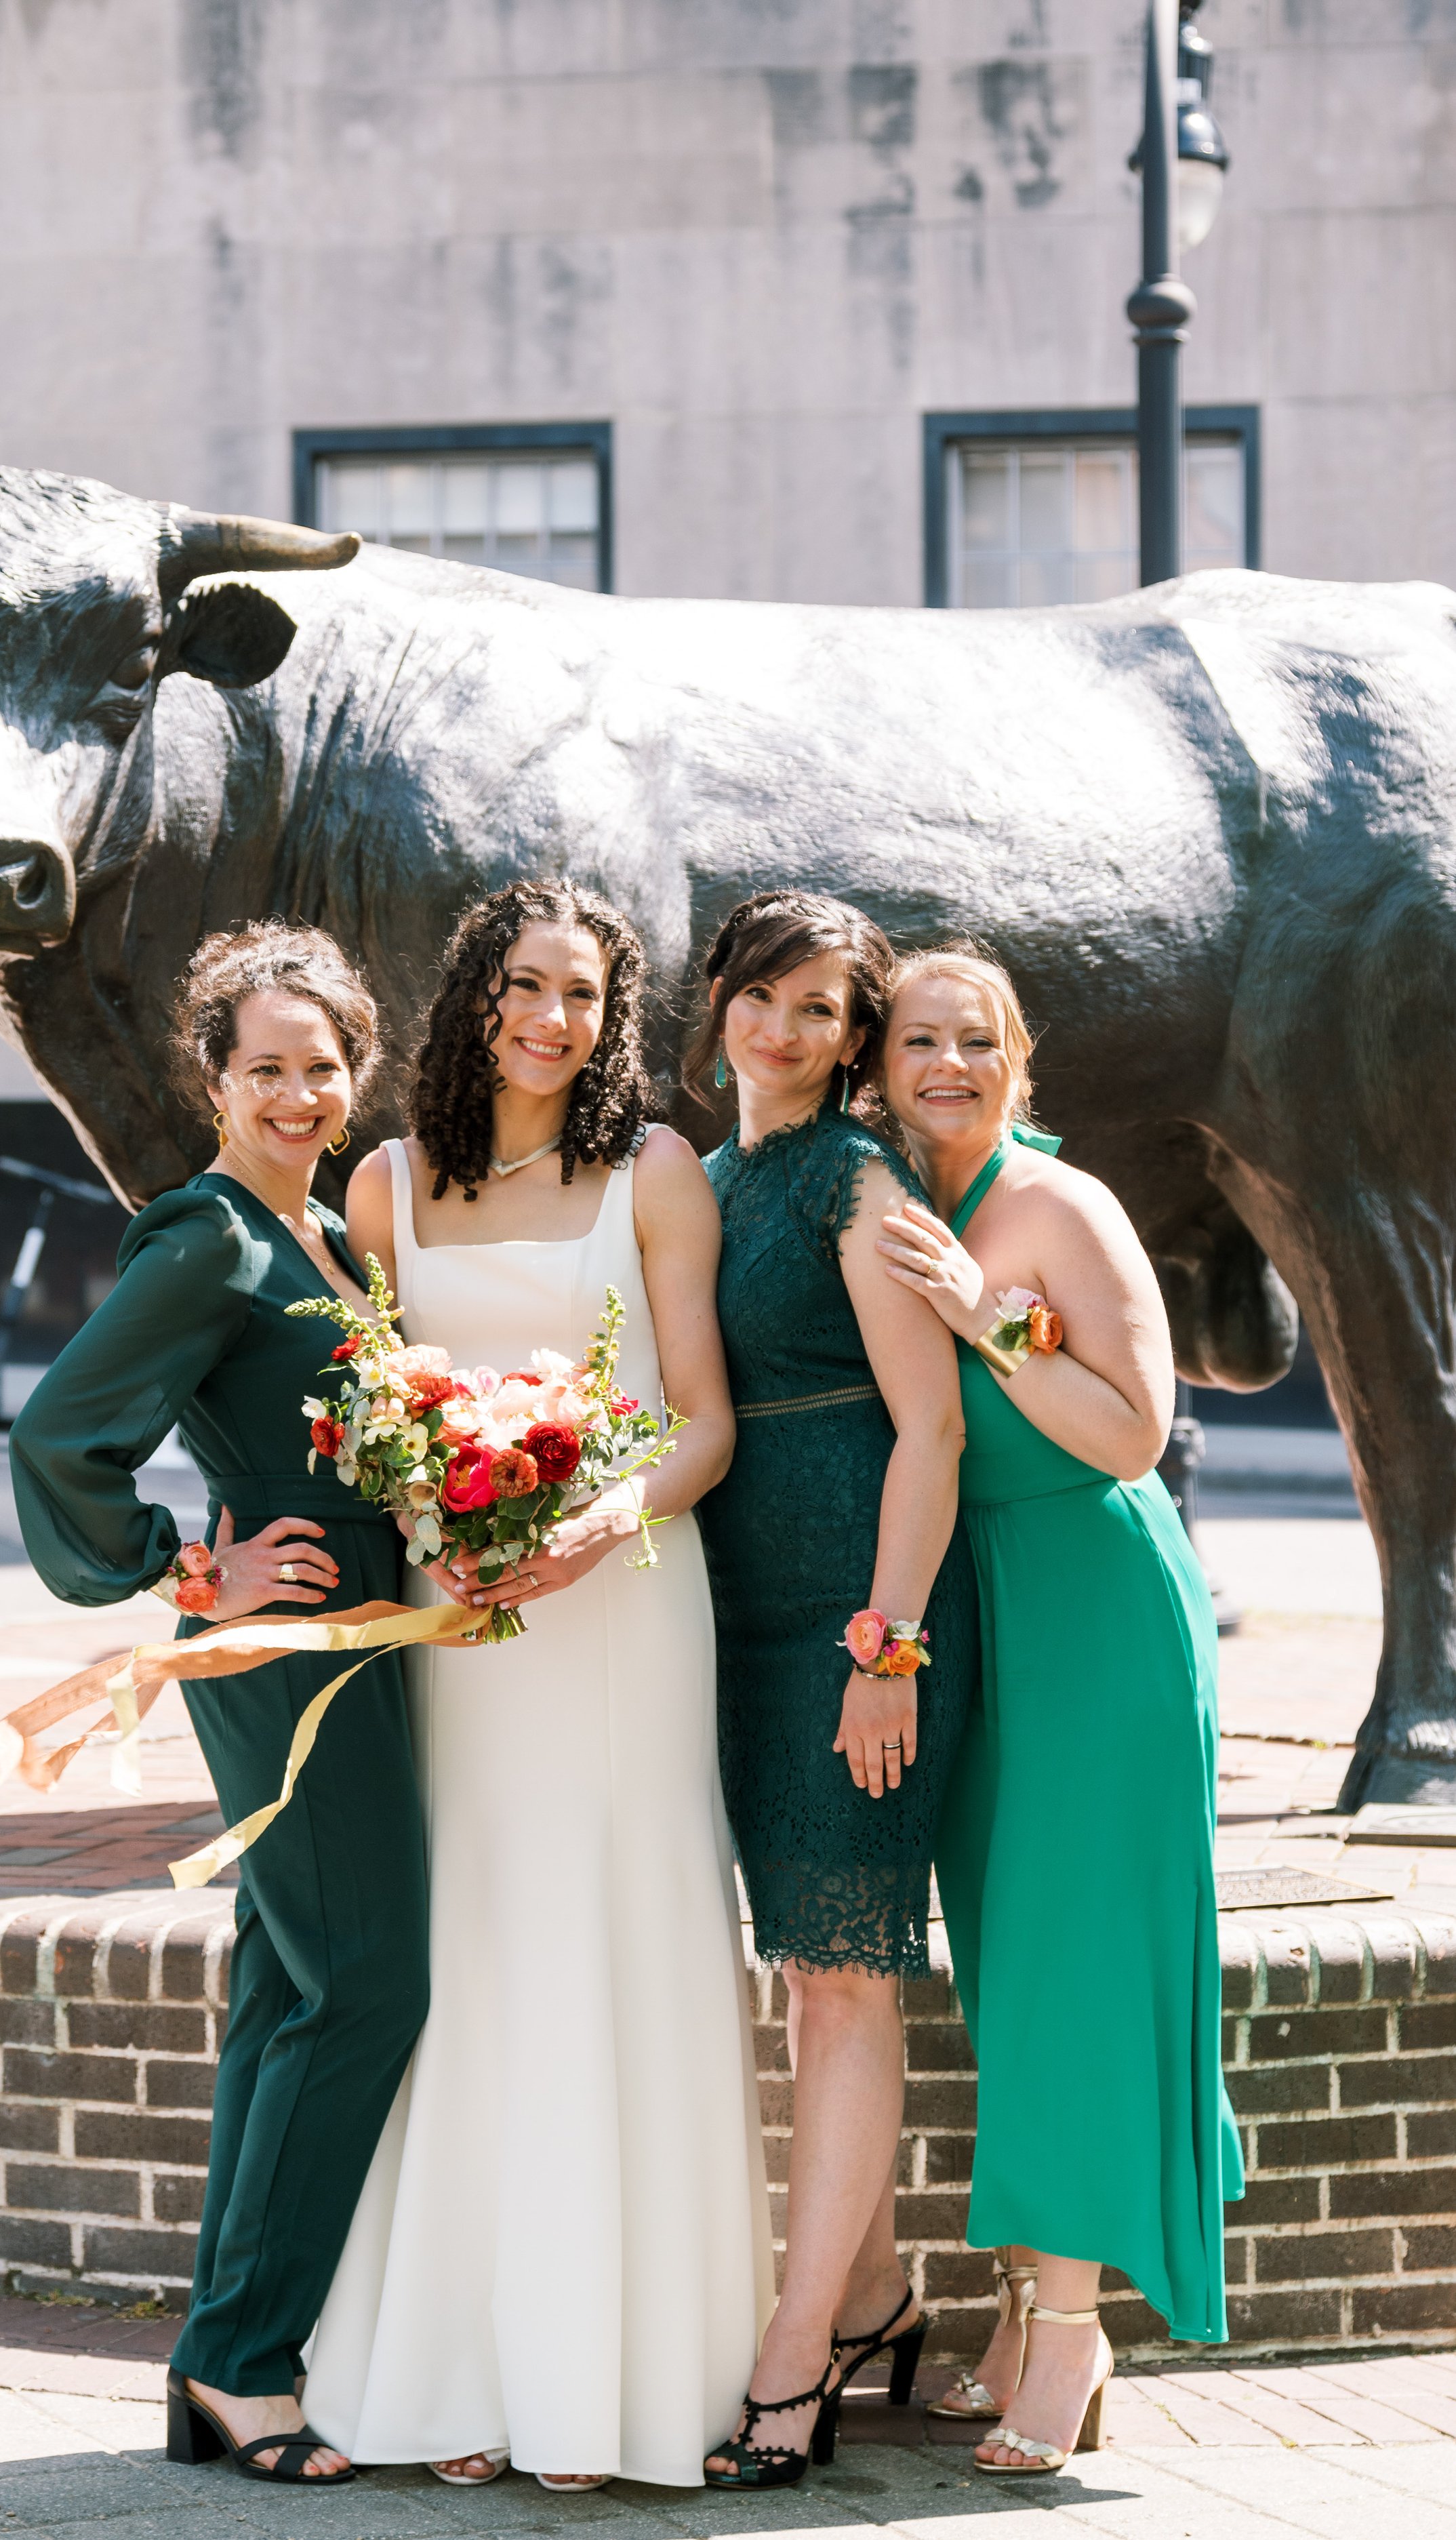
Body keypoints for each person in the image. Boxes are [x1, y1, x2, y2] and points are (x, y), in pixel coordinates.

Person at [302, 878, 773, 2492]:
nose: (551, 1018)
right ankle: (454, 2371)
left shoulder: (654, 1172)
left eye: (581, 992)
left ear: (611, 1011)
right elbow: (369, 1412)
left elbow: (701, 1417)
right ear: (472, 995)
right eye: (523, 986)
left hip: (621, 1603)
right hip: (458, 1624)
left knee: (614, 1937)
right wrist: (434, 1510)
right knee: (474, 1948)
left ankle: (623, 2380)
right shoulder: (381, 1186)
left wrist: (586, 1523)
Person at [9, 921, 426, 2487]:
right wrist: (186, 1567)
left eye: (322, 1066)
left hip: (370, 1634)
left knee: (290, 1985)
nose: (299, 1091)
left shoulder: (324, 1229)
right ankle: (245, 2362)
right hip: (286, 1649)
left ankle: (226, 2356)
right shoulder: (205, 1236)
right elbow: (61, 1439)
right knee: (367, 1979)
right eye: (266, 1066)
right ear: (213, 1075)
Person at [874, 942, 1241, 2478]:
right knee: (1014, 1969)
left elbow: (1131, 1428)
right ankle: (1026, 2312)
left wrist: (988, 1317)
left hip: (1093, 1610)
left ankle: (1072, 2332)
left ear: (1014, 1059)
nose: (944, 1063)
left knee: (1079, 1964)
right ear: (878, 1063)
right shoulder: (903, 1196)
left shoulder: (1055, 1206)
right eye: (915, 1040)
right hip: (981, 1613)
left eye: (973, 1040)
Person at [689, 891, 978, 2491]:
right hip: (727, 1620)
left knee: (841, 1976)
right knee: (802, 1962)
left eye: (822, 1011)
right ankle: (871, 2296)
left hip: (849, 1625)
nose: (785, 1030)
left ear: (852, 1043)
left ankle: (795, 2357)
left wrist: (885, 1646)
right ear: (717, 997)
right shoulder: (712, 1174)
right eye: (763, 995)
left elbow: (924, 1430)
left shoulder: (853, 1183)